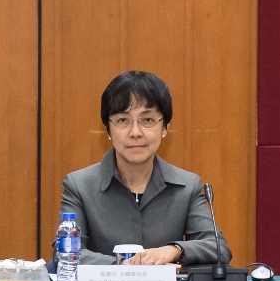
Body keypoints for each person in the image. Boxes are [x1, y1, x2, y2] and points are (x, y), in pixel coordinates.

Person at [58, 71, 228, 266]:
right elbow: (65, 251)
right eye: (123, 120)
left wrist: (174, 250)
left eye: (147, 120)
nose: (135, 132)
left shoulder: (187, 186)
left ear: (165, 128)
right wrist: (122, 267)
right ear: (108, 130)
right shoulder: (79, 185)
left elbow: (218, 247)